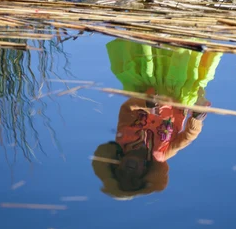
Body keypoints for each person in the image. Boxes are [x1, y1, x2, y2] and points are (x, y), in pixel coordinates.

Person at [92, 39, 222, 198]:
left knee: (149, 64)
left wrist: (147, 104)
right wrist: (196, 118)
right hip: (178, 95)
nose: (128, 172)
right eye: (134, 177)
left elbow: (128, 108)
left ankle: (154, 37)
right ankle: (191, 40)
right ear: (145, 171)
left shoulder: (123, 138)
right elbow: (187, 137)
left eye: (122, 174)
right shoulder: (163, 153)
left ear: (117, 165)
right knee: (183, 67)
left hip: (151, 87)